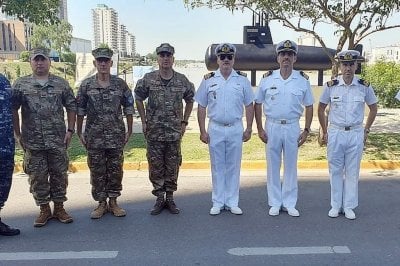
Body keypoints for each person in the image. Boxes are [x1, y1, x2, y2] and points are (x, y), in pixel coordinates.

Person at [12, 47, 76, 227]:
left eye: (43, 59)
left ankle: (60, 208)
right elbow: (13, 110)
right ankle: (44, 210)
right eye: (36, 59)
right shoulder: (21, 84)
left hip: (57, 140)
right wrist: (17, 134)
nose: (39, 63)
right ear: (30, 62)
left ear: (49, 61)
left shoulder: (60, 84)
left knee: (59, 175)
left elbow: (71, 106)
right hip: (33, 141)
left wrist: (70, 130)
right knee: (37, 177)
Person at [254, 40, 314, 217]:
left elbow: (309, 106)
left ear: (295, 58)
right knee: (272, 166)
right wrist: (259, 128)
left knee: (290, 166)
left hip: (292, 126)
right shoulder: (267, 79)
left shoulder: (302, 80)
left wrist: (307, 130)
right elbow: (257, 104)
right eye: (283, 54)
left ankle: (289, 203)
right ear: (278, 57)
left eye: (290, 54)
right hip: (271, 126)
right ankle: (274, 202)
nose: (286, 57)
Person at [134, 43, 195, 215]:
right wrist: (144, 120)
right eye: (162, 55)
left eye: (168, 55)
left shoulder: (181, 80)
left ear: (173, 59)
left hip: (174, 133)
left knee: (173, 165)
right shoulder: (148, 79)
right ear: (158, 59)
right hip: (154, 132)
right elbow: (138, 97)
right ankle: (159, 198)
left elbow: (190, 99)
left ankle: (170, 197)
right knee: (156, 166)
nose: (165, 58)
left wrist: (184, 122)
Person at [195, 43, 254, 216]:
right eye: (222, 57)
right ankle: (218, 202)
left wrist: (249, 128)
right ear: (218, 60)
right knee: (217, 166)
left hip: (235, 128)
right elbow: (201, 106)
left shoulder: (242, 80)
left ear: (233, 59)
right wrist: (202, 131)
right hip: (216, 128)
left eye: (229, 57)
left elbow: (249, 105)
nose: (226, 60)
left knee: (233, 166)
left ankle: (232, 201)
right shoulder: (209, 80)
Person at [318, 50, 378, 220]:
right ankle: (336, 205)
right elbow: (321, 108)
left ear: (356, 65)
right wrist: (324, 130)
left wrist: (366, 130)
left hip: (355, 132)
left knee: (352, 171)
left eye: (351, 64)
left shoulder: (364, 86)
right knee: (335, 170)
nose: (348, 68)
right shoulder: (331, 85)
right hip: (336, 132)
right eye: (345, 64)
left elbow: (373, 108)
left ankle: (349, 206)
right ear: (340, 65)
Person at [76, 47, 134, 219]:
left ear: (111, 63)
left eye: (106, 61)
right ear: (95, 63)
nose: (103, 63)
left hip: (116, 135)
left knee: (116, 170)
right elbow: (80, 110)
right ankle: (101, 203)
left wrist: (130, 130)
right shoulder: (87, 85)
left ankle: (114, 202)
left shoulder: (120, 84)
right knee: (97, 170)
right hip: (94, 137)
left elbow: (128, 107)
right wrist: (79, 132)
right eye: (99, 61)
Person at [0, 74, 20, 236]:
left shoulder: (3, 80)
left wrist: (16, 134)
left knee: (3, 183)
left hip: (5, 142)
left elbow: (13, 108)